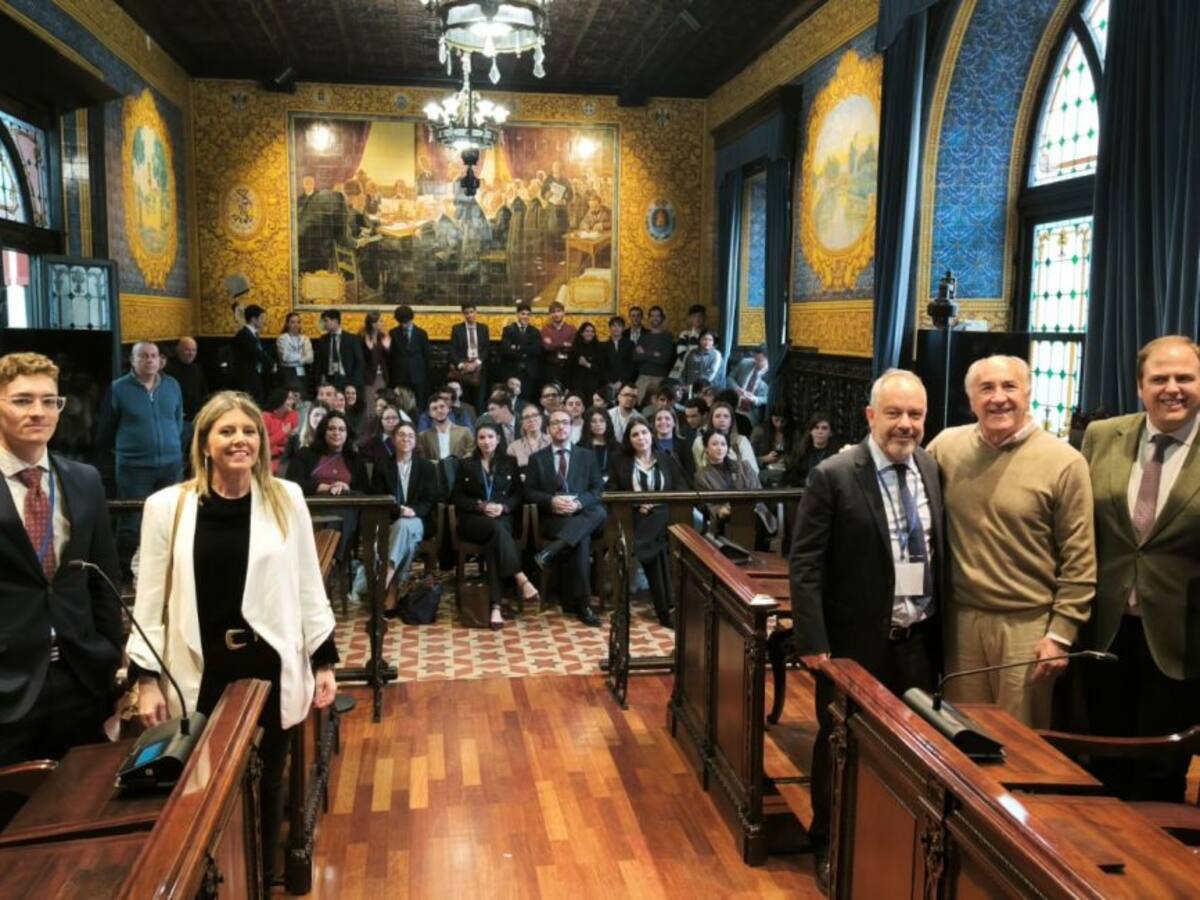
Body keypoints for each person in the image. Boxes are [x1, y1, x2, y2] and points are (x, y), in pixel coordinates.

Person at [127, 391, 337, 887]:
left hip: (268, 667)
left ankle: (262, 882)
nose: (238, 440)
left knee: (269, 784)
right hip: (200, 669)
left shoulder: (287, 498)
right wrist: (146, 678)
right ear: (204, 443)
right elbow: (150, 597)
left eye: (248, 432)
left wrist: (322, 661)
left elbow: (309, 584)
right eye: (226, 431)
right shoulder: (167, 506)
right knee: (200, 793)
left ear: (262, 443)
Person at [789, 369, 945, 891]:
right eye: (895, 413)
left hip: (917, 641)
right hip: (854, 646)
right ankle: (828, 842)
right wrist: (815, 647)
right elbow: (805, 565)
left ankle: (891, 842)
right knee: (840, 748)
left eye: (916, 414)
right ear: (870, 416)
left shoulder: (929, 466)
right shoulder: (834, 474)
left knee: (912, 750)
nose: (906, 424)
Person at [927, 355, 1095, 727]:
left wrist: (1060, 636)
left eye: (1009, 386)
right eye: (986, 388)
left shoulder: (1065, 462)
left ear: (1028, 392)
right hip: (960, 622)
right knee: (963, 734)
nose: (998, 398)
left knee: (1022, 743)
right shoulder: (945, 448)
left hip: (1028, 627)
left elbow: (1080, 560)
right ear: (971, 399)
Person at [1079, 336, 1200, 801]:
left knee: (1161, 774)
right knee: (1100, 761)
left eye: (1184, 378)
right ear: (1139, 387)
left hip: (1180, 640)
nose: (1172, 388)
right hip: (1104, 633)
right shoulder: (1102, 436)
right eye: (1159, 379)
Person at [0, 353, 122, 766]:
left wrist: (107, 655)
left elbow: (104, 580)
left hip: (81, 678)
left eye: (50, 401)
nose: (38, 411)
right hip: (7, 687)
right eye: (22, 400)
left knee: (81, 812)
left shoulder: (84, 480)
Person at [99, 342, 185, 575]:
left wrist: (172, 446)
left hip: (171, 464)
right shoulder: (118, 388)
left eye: (154, 356)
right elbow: (107, 428)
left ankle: (168, 569)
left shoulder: (172, 385)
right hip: (134, 467)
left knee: (170, 519)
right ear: (132, 360)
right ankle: (122, 574)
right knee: (131, 523)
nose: (149, 360)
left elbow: (177, 420)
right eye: (143, 356)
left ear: (160, 360)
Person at [452, 423, 540, 629]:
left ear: (498, 439)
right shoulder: (466, 464)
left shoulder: (510, 462)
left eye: (490, 437)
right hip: (474, 522)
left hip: (501, 519)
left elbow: (518, 495)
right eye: (481, 437)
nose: (486, 441)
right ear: (476, 440)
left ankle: (495, 608)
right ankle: (520, 577)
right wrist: (480, 506)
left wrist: (503, 507)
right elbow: (456, 496)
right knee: (496, 530)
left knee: (495, 539)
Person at [526, 409, 608, 626]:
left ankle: (550, 552)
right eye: (555, 423)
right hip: (554, 519)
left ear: (572, 427)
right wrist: (551, 501)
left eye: (564, 422)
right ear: (548, 428)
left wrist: (579, 503)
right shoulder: (537, 458)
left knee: (596, 515)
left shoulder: (586, 456)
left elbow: (598, 489)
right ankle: (583, 605)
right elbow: (529, 492)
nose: (560, 427)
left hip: (581, 513)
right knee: (582, 536)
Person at [611, 418, 688, 627]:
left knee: (658, 525)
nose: (641, 437)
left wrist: (659, 501)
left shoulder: (666, 458)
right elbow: (613, 492)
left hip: (664, 513)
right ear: (629, 439)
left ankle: (638, 548)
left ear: (651, 434)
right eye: (635, 434)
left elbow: (681, 487)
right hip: (635, 518)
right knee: (659, 549)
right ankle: (666, 609)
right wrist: (636, 504)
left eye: (644, 432)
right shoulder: (621, 462)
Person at [368, 421, 440, 613]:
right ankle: (393, 588)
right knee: (403, 534)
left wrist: (413, 511)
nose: (406, 439)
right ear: (393, 439)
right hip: (391, 520)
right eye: (401, 435)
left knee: (405, 526)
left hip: (419, 520)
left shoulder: (427, 467)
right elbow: (378, 497)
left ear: (415, 441)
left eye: (410, 435)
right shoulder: (383, 466)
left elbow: (431, 498)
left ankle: (385, 577)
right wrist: (398, 511)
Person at [693, 430, 770, 541]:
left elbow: (757, 491)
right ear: (706, 448)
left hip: (754, 513)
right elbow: (708, 505)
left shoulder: (744, 466)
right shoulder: (701, 476)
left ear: (727, 448)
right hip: (724, 520)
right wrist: (720, 510)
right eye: (714, 444)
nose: (720, 448)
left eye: (723, 444)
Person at [692, 400, 758, 475]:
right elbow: (698, 469)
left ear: (731, 420)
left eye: (726, 416)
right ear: (711, 420)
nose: (722, 420)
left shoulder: (742, 441)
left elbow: (753, 471)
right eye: (717, 416)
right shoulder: (699, 442)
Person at [387, 305, 430, 408]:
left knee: (418, 405)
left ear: (411, 319)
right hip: (399, 377)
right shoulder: (393, 333)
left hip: (417, 376)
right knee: (400, 404)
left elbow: (426, 356)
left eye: (406, 322)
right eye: (401, 323)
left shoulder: (421, 334)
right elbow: (391, 357)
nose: (404, 325)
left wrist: (425, 376)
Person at [449, 303, 491, 411]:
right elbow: (452, 350)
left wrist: (476, 363)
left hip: (479, 370)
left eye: (471, 312)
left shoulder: (483, 328)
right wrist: (463, 365)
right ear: (463, 314)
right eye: (466, 313)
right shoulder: (457, 329)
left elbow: (486, 349)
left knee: (479, 402)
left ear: (476, 312)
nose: (469, 315)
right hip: (463, 372)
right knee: (464, 402)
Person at [231, 305, 275, 404]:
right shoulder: (244, 334)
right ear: (253, 319)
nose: (264, 321)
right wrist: (272, 364)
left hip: (254, 377)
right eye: (261, 318)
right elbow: (257, 353)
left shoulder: (253, 334)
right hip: (247, 380)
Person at [313, 309, 365, 392]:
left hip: (347, 379)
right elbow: (319, 363)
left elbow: (359, 361)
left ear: (335, 321)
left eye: (326, 321)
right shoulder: (323, 340)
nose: (324, 324)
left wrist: (353, 382)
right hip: (329, 380)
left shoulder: (352, 339)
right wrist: (318, 383)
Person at [499, 302, 543, 395]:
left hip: (529, 373)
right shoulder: (508, 330)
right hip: (513, 371)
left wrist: (518, 347)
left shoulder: (535, 331)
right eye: (523, 314)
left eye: (528, 314)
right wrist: (527, 349)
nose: (525, 316)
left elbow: (537, 350)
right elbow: (506, 350)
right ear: (517, 315)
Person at [633, 306, 673, 401]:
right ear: (649, 318)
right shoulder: (643, 337)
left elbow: (664, 360)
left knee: (658, 408)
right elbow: (635, 357)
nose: (655, 318)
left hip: (660, 378)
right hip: (643, 377)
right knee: (638, 408)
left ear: (662, 318)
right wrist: (654, 353)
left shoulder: (667, 338)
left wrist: (645, 353)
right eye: (652, 316)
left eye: (657, 316)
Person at [785, 412, 837, 486]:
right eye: (816, 428)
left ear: (830, 433)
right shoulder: (800, 451)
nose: (820, 432)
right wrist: (806, 482)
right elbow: (790, 477)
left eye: (824, 428)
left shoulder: (837, 455)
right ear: (810, 431)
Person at [165, 337, 209, 425]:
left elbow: (204, 392)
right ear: (178, 350)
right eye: (187, 350)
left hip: (196, 417)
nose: (191, 353)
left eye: (194, 350)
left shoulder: (196, 368)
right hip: (177, 419)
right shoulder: (168, 369)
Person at [417, 393, 473, 461]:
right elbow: (422, 460)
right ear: (430, 413)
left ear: (448, 409)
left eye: (442, 407)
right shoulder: (423, 436)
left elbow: (471, 453)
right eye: (434, 408)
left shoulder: (465, 432)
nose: (439, 411)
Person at [727, 344, 770, 426]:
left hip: (752, 411)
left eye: (759, 360)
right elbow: (729, 378)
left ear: (768, 359)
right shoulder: (745, 363)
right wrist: (737, 389)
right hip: (735, 405)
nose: (755, 362)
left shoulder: (771, 374)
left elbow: (770, 399)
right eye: (755, 358)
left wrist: (755, 399)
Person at [262, 387, 300, 474]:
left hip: (285, 460)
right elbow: (264, 444)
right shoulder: (266, 417)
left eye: (292, 399)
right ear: (280, 399)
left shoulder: (292, 415)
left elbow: (291, 440)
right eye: (289, 399)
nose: (292, 402)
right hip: (268, 461)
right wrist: (283, 432)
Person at [652, 406, 694, 486]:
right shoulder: (649, 444)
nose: (663, 422)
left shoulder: (684, 444)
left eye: (667, 418)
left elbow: (690, 471)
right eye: (659, 419)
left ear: (674, 422)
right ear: (654, 423)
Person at [752, 408, 793, 487]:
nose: (779, 424)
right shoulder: (760, 431)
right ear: (771, 418)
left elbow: (797, 457)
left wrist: (786, 459)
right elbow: (748, 462)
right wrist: (765, 459)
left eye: (783, 421)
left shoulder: (792, 433)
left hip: (785, 470)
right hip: (764, 471)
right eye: (776, 420)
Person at [359, 311, 391, 412]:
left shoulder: (383, 337)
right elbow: (363, 359)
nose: (382, 323)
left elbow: (388, 359)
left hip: (382, 376)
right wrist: (371, 350)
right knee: (371, 406)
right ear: (373, 323)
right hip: (369, 377)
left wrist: (387, 348)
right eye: (380, 321)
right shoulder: (363, 337)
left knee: (382, 404)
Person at [275, 312, 314, 393]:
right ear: (287, 324)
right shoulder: (282, 338)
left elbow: (310, 358)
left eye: (298, 322)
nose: (296, 325)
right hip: (287, 373)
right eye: (292, 322)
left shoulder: (305, 338)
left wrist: (295, 356)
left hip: (302, 372)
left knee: (302, 396)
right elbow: (285, 357)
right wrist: (303, 356)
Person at [358, 404, 402, 474]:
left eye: (394, 418)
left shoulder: (407, 440)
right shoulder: (370, 445)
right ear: (381, 421)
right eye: (387, 418)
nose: (391, 421)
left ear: (400, 420)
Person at [540, 301, 576, 388]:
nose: (556, 314)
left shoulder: (571, 329)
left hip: (568, 368)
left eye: (559, 311)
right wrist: (564, 344)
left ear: (563, 312)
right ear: (550, 314)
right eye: (553, 312)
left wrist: (553, 343)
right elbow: (547, 347)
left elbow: (573, 347)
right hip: (552, 368)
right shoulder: (545, 330)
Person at [568, 321, 605, 403]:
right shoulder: (574, 348)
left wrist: (587, 364)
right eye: (587, 331)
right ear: (581, 333)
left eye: (592, 331)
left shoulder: (599, 348)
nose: (590, 333)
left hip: (594, 387)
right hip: (577, 386)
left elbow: (601, 369)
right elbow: (569, 369)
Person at [579, 405, 618, 483]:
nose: (598, 424)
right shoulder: (580, 447)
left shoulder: (617, 447)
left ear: (607, 422)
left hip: (613, 489)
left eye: (602, 420)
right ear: (588, 424)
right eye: (593, 421)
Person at [508, 402, 552, 469]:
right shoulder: (513, 447)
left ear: (541, 418)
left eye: (535, 415)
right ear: (522, 422)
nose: (531, 420)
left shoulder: (552, 442)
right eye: (527, 417)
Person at [671, 304, 709, 380]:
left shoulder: (710, 335)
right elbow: (681, 354)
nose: (697, 319)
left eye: (700, 316)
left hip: (702, 371)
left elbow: (709, 356)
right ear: (690, 318)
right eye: (694, 316)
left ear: (704, 318)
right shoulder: (685, 334)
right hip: (682, 371)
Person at [602, 315, 637, 391]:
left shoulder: (630, 344)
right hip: (608, 384)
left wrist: (621, 381)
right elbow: (602, 367)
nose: (616, 328)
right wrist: (609, 382)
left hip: (625, 383)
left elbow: (631, 366)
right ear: (610, 328)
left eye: (619, 326)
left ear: (623, 328)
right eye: (614, 326)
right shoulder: (604, 346)